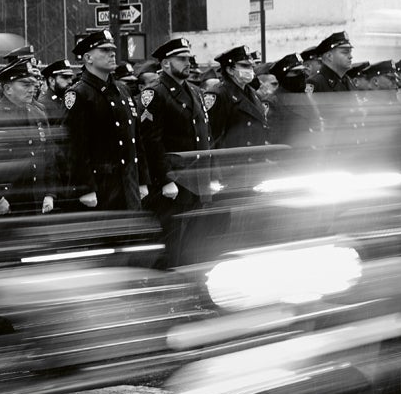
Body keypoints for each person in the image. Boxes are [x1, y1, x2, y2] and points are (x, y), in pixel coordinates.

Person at [140, 37, 216, 264]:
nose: (187, 63)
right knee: (174, 240)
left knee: (196, 240)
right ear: (165, 64)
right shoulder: (155, 93)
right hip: (175, 180)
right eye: (181, 59)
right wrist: (165, 179)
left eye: (189, 58)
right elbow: (151, 141)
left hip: (197, 178)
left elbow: (205, 135)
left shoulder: (194, 91)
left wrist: (211, 174)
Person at [60, 29, 146, 211]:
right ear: (88, 58)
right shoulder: (79, 94)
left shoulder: (122, 90)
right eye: (104, 50)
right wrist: (85, 187)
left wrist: (142, 179)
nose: (112, 54)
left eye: (112, 49)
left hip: (127, 183)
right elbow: (74, 146)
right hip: (101, 187)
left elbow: (136, 138)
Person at [0, 60, 58, 215]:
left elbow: (49, 156)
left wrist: (49, 193)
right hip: (7, 201)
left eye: (33, 85)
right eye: (25, 85)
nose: (32, 90)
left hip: (35, 197)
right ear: (7, 88)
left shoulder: (38, 113)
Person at [208, 47, 271, 148]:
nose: (250, 70)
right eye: (245, 66)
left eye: (251, 66)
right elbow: (213, 136)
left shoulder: (252, 93)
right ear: (230, 70)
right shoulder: (218, 94)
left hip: (256, 156)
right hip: (233, 159)